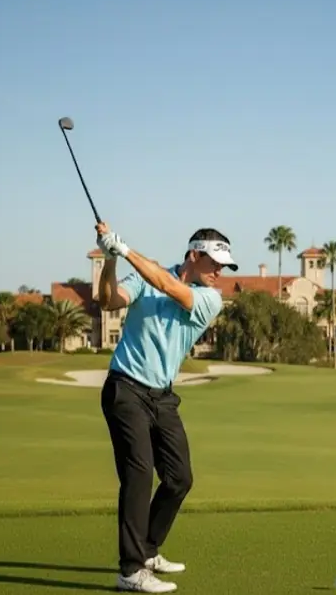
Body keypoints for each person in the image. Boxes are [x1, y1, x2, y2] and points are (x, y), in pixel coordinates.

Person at [93, 221, 236, 593]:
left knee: (179, 478)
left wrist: (125, 251)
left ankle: (149, 548)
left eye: (224, 266)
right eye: (214, 263)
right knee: (139, 474)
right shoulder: (146, 276)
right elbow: (108, 301)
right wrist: (110, 260)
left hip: (162, 396)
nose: (220, 272)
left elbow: (168, 286)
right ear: (193, 255)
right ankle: (131, 569)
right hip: (125, 388)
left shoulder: (210, 298)